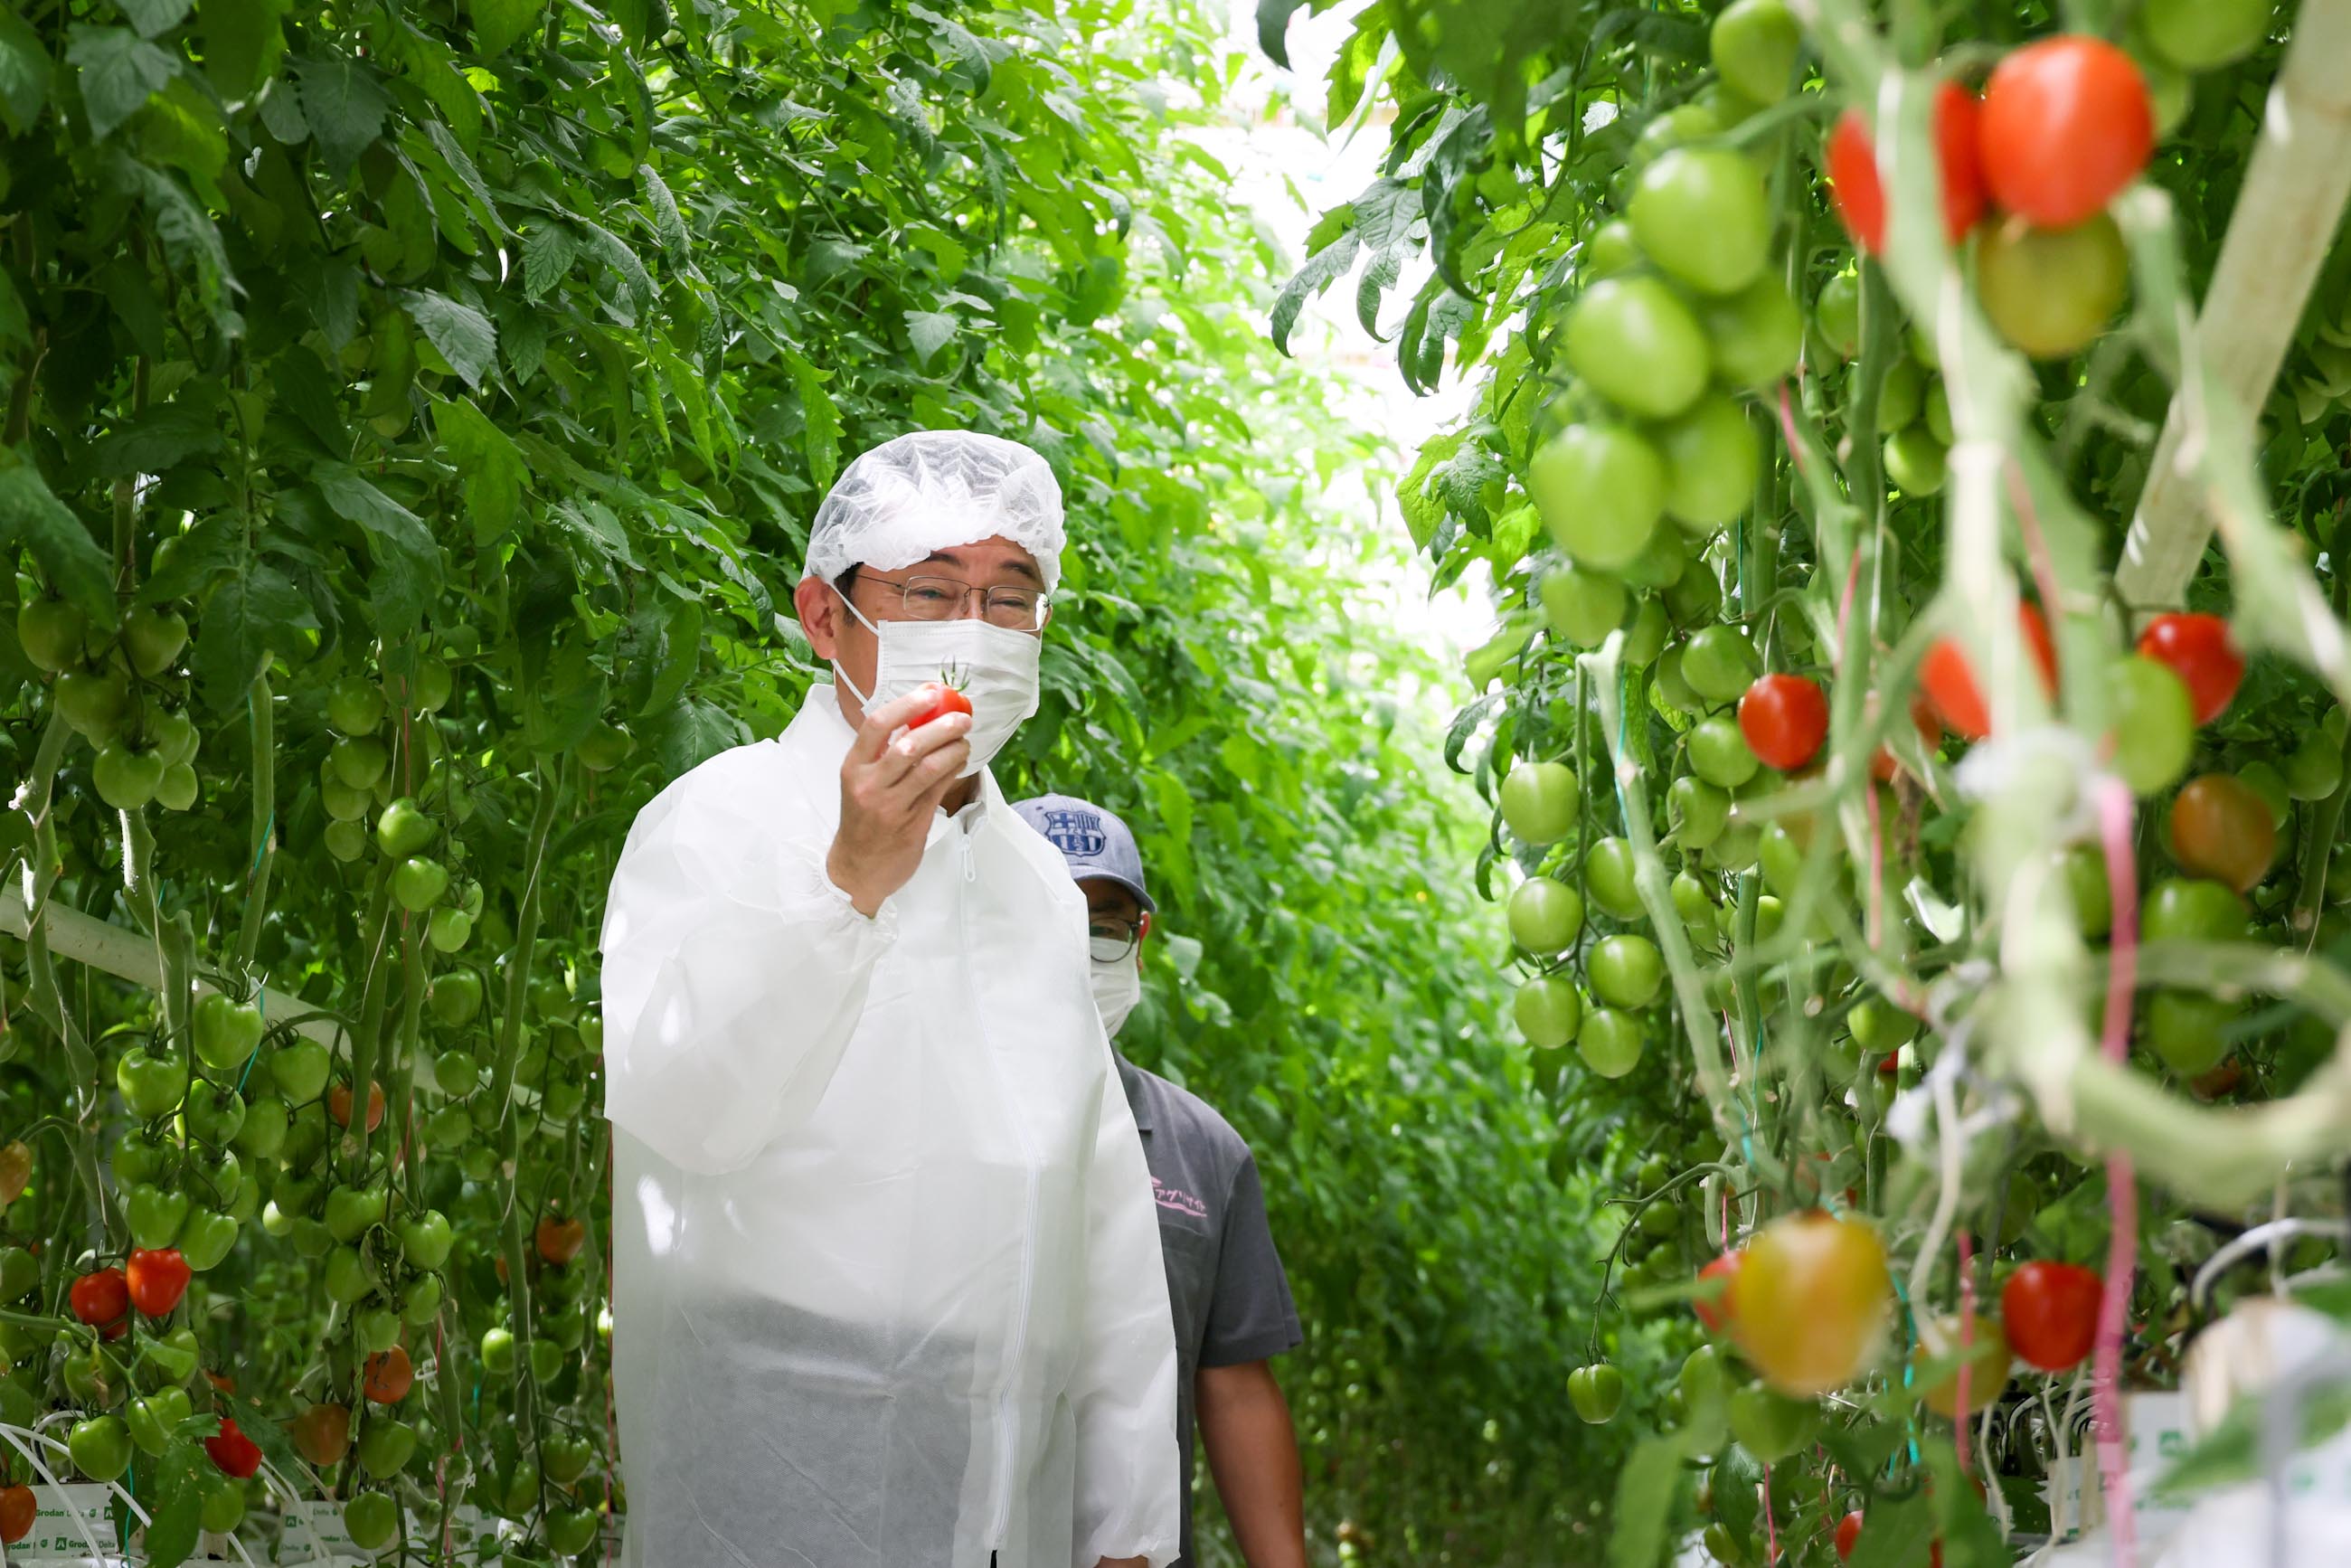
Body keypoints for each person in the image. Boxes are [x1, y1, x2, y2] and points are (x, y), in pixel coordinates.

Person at [600, 432, 1181, 1568]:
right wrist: (848, 881)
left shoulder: (1033, 888)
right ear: (827, 618)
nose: (974, 627)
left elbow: (1099, 1221)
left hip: (996, 1459)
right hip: (772, 1434)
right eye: (929, 590)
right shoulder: (718, 820)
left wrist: (1130, 1526)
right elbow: (684, 1107)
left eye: (1009, 598)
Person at [1013, 794, 1308, 1568]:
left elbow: (1236, 1387)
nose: (1076, 948)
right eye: (1045, 912)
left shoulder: (1202, 1153)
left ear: (1139, 945)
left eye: (1104, 925)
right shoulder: (911, 1121)